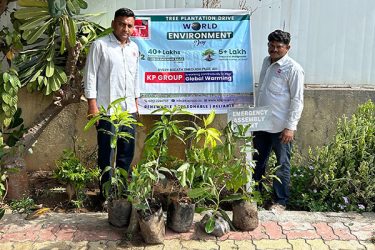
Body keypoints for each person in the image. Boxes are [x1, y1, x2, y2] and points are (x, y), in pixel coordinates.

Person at [84, 8, 140, 200]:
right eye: (122, 24)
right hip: (106, 110)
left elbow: (135, 78)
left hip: (128, 111)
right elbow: (90, 75)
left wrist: (136, 102)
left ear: (133, 28)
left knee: (127, 152)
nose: (125, 28)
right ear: (113, 24)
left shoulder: (134, 48)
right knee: (107, 154)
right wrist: (92, 105)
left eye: (129, 25)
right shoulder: (100, 45)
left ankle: (122, 192)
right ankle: (106, 195)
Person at [253, 30, 304, 211]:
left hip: (281, 127)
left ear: (287, 48)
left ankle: (280, 201)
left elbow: (297, 100)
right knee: (257, 162)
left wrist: (290, 127)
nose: (274, 49)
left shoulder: (293, 69)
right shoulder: (266, 62)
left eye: (278, 46)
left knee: (282, 164)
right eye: (271, 45)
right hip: (261, 124)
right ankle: (255, 197)